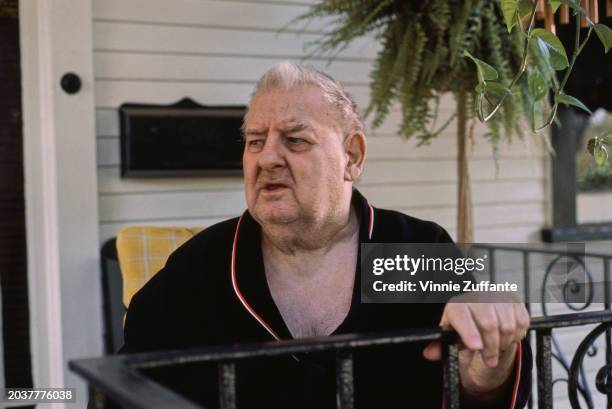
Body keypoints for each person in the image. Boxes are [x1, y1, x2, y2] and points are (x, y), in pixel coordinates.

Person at [119, 62, 532, 409]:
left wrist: (489, 368)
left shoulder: (409, 248)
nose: (267, 159)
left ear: (352, 156)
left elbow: (479, 390)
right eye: (255, 142)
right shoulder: (200, 267)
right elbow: (124, 386)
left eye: (295, 140)